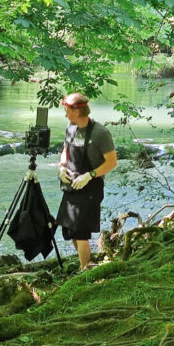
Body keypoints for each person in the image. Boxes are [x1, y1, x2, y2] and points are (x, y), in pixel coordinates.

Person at [56, 92, 117, 271]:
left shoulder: (100, 133)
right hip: (71, 186)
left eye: (67, 110)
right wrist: (61, 168)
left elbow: (112, 162)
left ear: (77, 111)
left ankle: (84, 272)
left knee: (81, 233)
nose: (65, 114)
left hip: (91, 188)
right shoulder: (70, 128)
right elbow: (65, 151)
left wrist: (88, 176)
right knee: (70, 230)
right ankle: (85, 265)